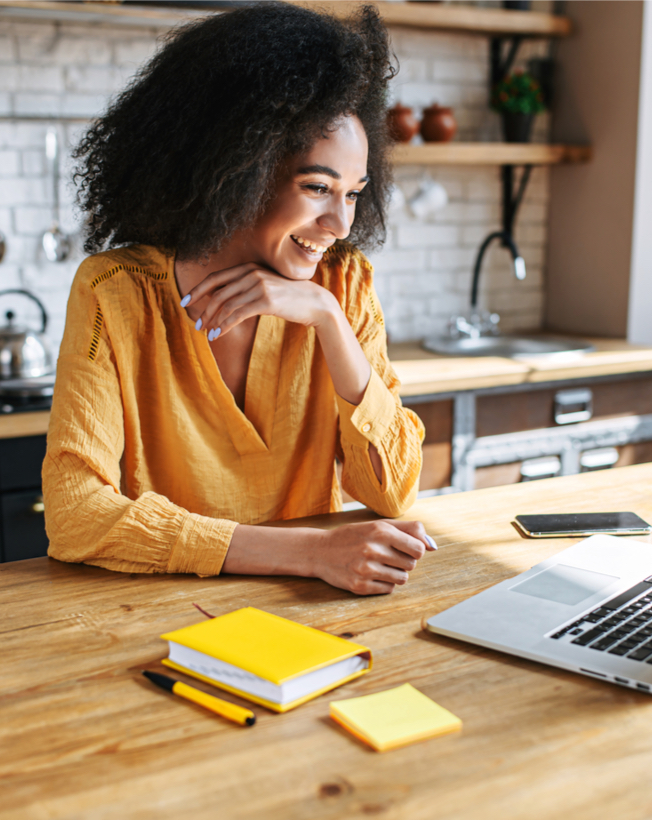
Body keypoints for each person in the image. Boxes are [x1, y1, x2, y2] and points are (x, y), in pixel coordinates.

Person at [42, 3, 432, 596]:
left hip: (315, 610)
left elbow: (394, 491)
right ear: (235, 169)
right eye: (318, 187)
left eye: (354, 194)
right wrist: (311, 552)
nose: (341, 224)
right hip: (163, 613)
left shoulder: (342, 285)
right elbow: (74, 517)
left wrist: (328, 320)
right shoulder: (114, 293)